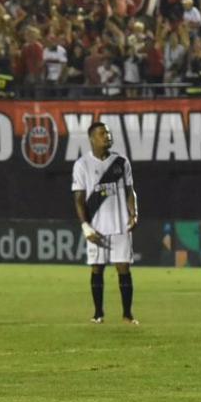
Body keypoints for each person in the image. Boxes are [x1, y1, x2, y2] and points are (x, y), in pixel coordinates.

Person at [72, 122, 139, 325]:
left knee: (124, 268)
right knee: (97, 268)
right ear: (92, 138)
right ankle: (98, 313)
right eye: (102, 133)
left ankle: (127, 314)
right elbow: (79, 199)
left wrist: (134, 213)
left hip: (120, 224)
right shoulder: (82, 165)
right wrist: (85, 226)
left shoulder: (120, 161)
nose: (107, 136)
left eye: (108, 133)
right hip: (97, 227)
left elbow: (130, 190)